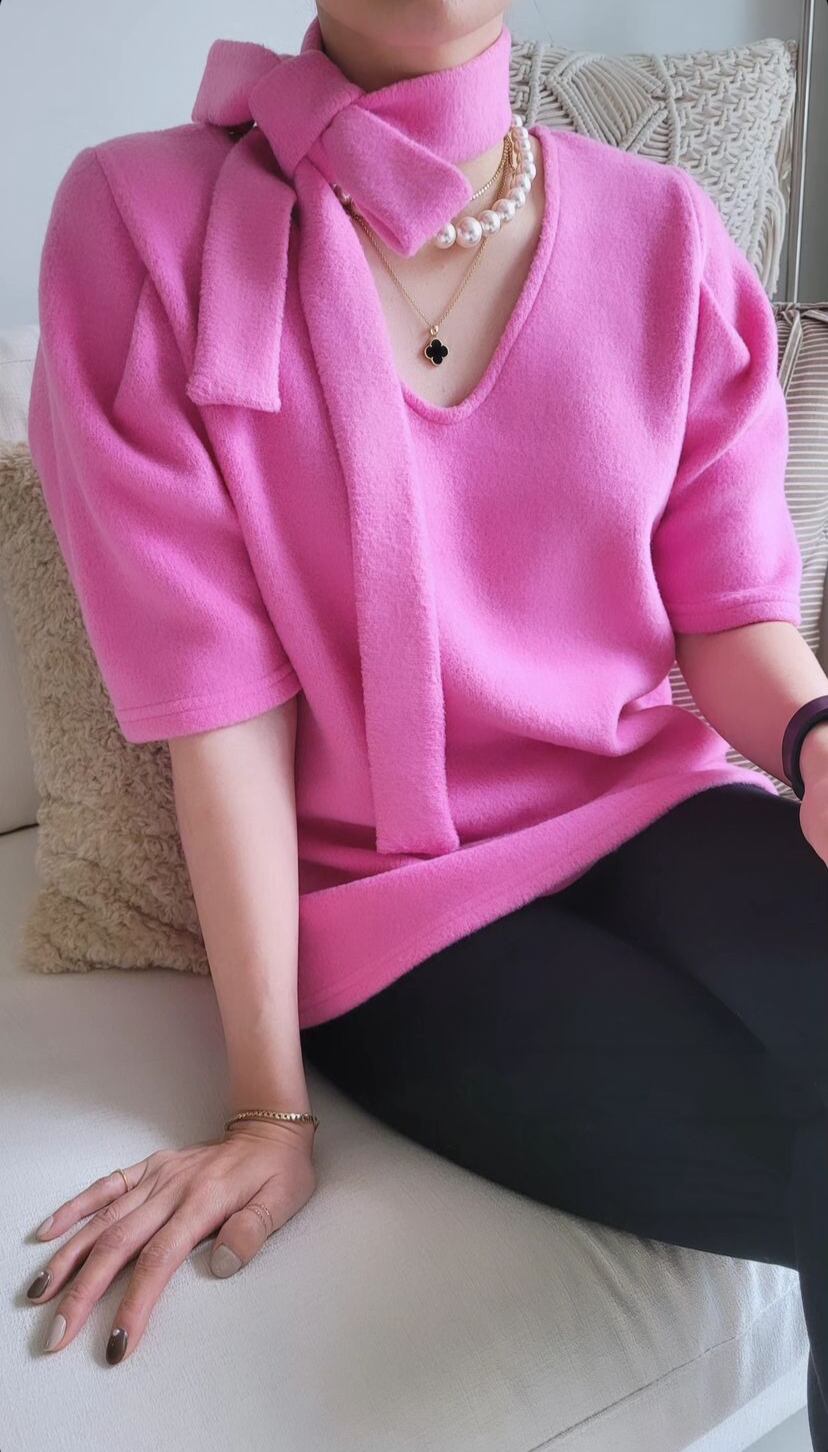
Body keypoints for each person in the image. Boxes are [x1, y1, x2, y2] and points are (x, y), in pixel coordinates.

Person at [20, 1, 828, 1444]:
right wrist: (268, 1111)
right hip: (404, 915)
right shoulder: (139, 221)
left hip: (665, 810)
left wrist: (817, 743)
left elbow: (727, 617)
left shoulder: (665, 231)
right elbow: (220, 716)